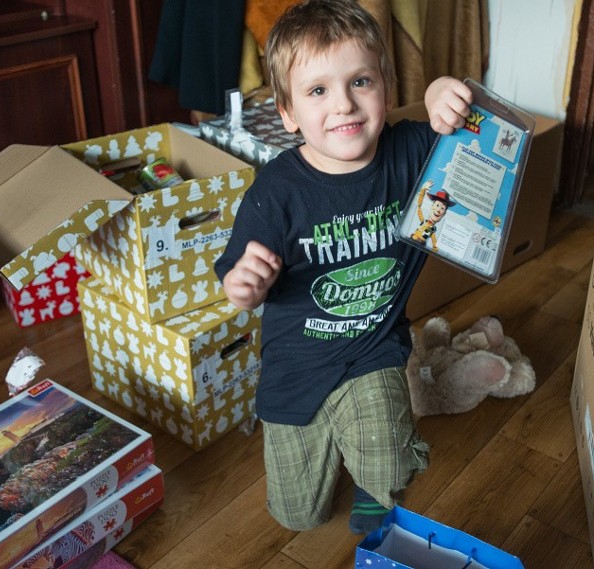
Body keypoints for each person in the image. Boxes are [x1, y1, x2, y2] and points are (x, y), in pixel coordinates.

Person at [214, 0, 472, 535]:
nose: (345, 105)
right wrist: (243, 285)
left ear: (386, 87)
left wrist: (441, 93)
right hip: (297, 365)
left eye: (360, 81)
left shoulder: (409, 153)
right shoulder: (276, 192)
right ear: (287, 114)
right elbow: (237, 272)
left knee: (390, 468)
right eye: (317, 91)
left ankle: (373, 477)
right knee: (297, 517)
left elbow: (460, 130)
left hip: (373, 349)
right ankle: (332, 443)